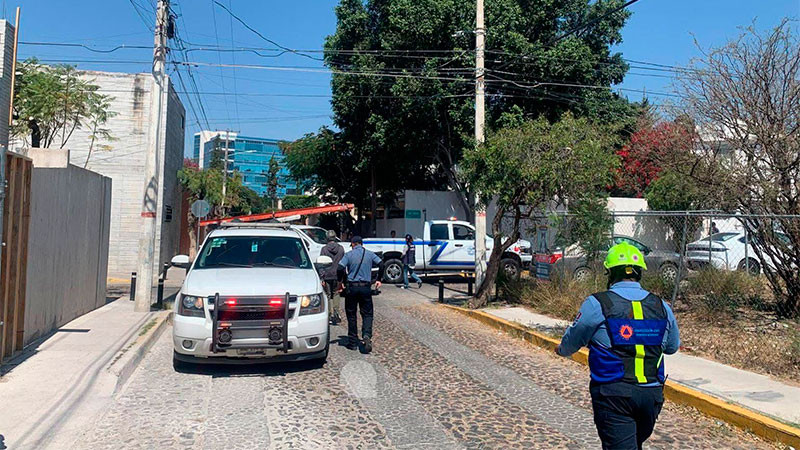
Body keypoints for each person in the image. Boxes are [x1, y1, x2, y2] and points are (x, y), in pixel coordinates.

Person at [556, 242, 680, 450]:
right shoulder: (662, 306)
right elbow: (671, 347)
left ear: (610, 273)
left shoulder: (597, 303)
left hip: (614, 394)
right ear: (639, 272)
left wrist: (561, 350)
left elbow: (573, 339)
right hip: (651, 396)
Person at [338, 236, 383, 353]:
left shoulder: (348, 255)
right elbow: (381, 264)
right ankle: (366, 335)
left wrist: (341, 281)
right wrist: (379, 279)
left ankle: (352, 342)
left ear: (353, 244)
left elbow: (339, 268)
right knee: (367, 313)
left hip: (352, 288)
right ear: (361, 244)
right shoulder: (370, 254)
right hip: (365, 288)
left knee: (351, 314)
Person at [319, 230, 345, 325]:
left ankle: (329, 314)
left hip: (327, 274)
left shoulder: (324, 249)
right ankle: (336, 311)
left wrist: (322, 277)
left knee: (328, 295)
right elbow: (343, 263)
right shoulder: (341, 248)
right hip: (338, 274)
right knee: (337, 293)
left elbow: (321, 264)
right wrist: (343, 278)